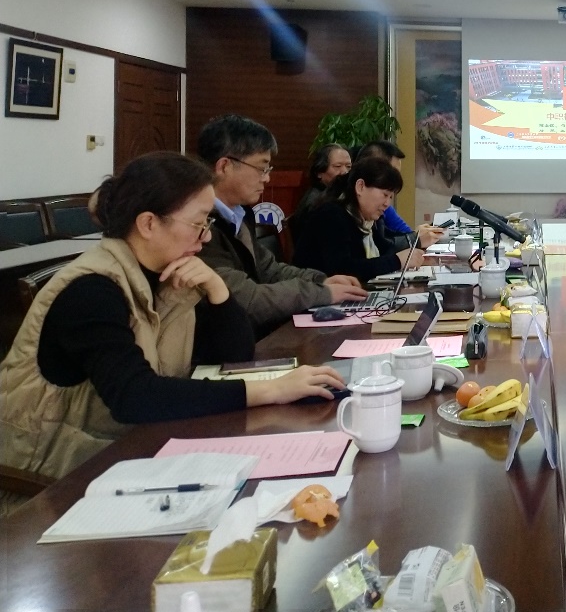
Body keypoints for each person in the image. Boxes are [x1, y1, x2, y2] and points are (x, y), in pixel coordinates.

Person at [0, 152, 345, 496]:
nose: (206, 238)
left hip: (125, 451)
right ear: (149, 224)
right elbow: (135, 396)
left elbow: (234, 355)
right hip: (51, 479)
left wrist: (217, 289)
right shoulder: (92, 290)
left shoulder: (167, 275)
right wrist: (271, 390)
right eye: (199, 224)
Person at [195, 115, 367, 336]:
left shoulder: (239, 213)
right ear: (224, 166)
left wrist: (321, 280)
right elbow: (247, 300)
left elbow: (270, 269)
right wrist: (322, 293)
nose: (267, 178)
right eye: (261, 168)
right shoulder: (198, 227)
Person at [292, 157, 439, 283]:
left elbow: (384, 248)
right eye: (385, 195)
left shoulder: (366, 219)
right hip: (318, 298)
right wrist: (398, 261)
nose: (387, 203)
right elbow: (342, 270)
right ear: (360, 187)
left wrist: (413, 255)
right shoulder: (331, 215)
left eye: (390, 197)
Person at [356, 140, 430, 251]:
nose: (387, 203)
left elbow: (387, 242)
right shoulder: (338, 214)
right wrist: (414, 240)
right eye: (392, 173)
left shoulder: (376, 211)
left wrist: (416, 237)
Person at [289, 143, 352, 237]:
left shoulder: (335, 196)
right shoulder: (317, 204)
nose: (345, 172)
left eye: (348, 167)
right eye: (338, 166)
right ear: (319, 172)